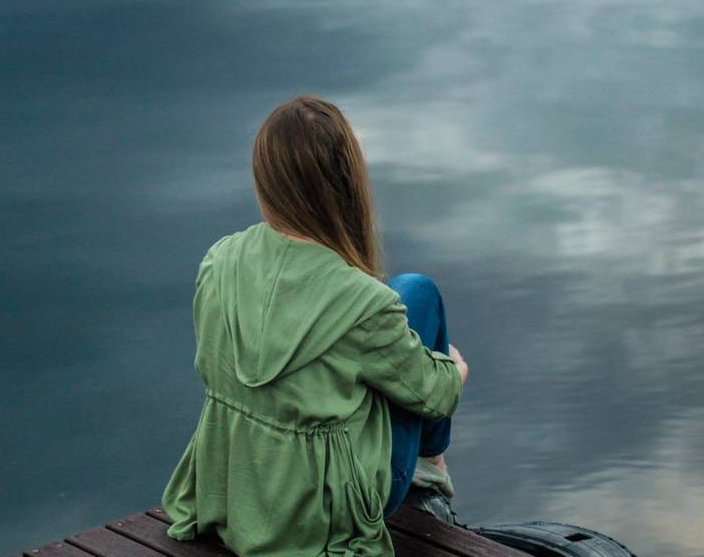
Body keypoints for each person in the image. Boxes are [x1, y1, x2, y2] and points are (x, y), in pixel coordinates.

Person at [160, 96, 471, 556]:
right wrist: (454, 370)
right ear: (345, 182)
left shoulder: (218, 260)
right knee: (417, 292)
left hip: (237, 494)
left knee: (398, 306)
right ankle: (430, 468)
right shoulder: (364, 303)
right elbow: (436, 394)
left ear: (265, 179)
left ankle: (426, 465)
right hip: (321, 518)